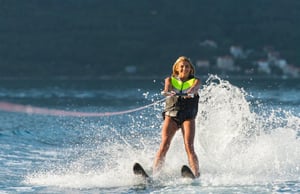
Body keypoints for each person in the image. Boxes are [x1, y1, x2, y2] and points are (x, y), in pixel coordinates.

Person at [153, 56, 200, 177]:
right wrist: (168, 92)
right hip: (172, 115)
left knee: (189, 146)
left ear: (191, 69)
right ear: (177, 68)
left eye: (187, 66)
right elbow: (167, 88)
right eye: (182, 66)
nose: (185, 68)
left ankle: (196, 174)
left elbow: (195, 88)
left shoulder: (195, 81)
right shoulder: (170, 79)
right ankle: (155, 174)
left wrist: (190, 92)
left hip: (188, 116)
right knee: (164, 144)